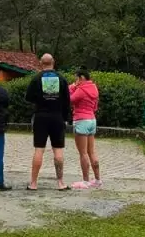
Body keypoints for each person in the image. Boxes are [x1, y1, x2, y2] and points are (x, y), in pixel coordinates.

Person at [25, 53, 71, 191]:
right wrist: (66, 118)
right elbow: (67, 101)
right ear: (53, 62)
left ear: (40, 63)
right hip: (57, 117)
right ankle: (61, 183)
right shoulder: (62, 79)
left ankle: (33, 183)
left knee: (39, 149)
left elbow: (28, 97)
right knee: (58, 150)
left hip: (41, 117)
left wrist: (40, 100)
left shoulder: (36, 79)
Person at [69, 68, 102, 189]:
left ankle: (85, 181)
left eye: (76, 78)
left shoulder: (81, 90)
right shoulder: (94, 88)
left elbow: (69, 99)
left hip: (81, 120)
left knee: (83, 153)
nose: (75, 81)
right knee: (91, 151)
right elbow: (95, 106)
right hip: (92, 120)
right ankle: (97, 179)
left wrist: (72, 87)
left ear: (81, 78)